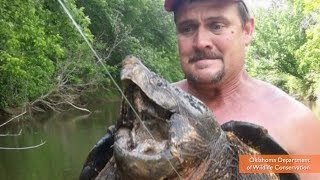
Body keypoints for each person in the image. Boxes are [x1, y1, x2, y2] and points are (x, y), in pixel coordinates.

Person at [164, 0, 320, 179]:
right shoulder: (153, 108)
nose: (201, 42)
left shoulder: (295, 122)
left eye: (216, 26)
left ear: (247, 31)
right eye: (187, 28)